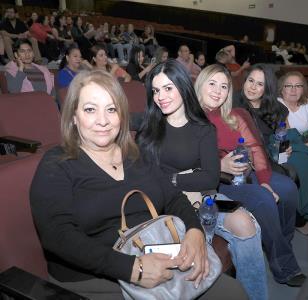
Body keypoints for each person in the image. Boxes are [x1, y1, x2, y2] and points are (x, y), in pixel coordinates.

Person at [30, 69, 245, 300]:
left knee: (234, 293)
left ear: (121, 116)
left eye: (111, 109)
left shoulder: (135, 155)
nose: (102, 120)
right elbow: (58, 235)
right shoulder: (57, 163)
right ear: (73, 116)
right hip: (94, 275)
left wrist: (194, 231)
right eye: (90, 109)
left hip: (150, 250)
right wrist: (132, 268)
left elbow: (173, 197)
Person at [136, 59, 266, 300]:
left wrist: (175, 179)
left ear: (183, 88)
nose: (161, 96)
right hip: (166, 206)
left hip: (204, 197)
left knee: (247, 226)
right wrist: (186, 179)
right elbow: (147, 178)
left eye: (168, 88)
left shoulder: (203, 128)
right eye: (156, 90)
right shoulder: (149, 128)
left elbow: (210, 177)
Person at [227, 64, 306, 286]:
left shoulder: (276, 109)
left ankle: (284, 241)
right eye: (250, 80)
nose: (252, 87)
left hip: (266, 164)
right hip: (243, 166)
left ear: (267, 88)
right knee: (275, 193)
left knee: (289, 189)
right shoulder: (233, 103)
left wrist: (284, 150)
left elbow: (280, 143)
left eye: (259, 83)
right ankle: (284, 263)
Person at [277, 71, 308, 231]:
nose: (293, 90)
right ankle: (301, 214)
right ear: (281, 89)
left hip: (305, 145)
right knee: (303, 166)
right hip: (285, 146)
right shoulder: (277, 105)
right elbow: (282, 138)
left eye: (298, 86)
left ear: (303, 89)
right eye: (288, 86)